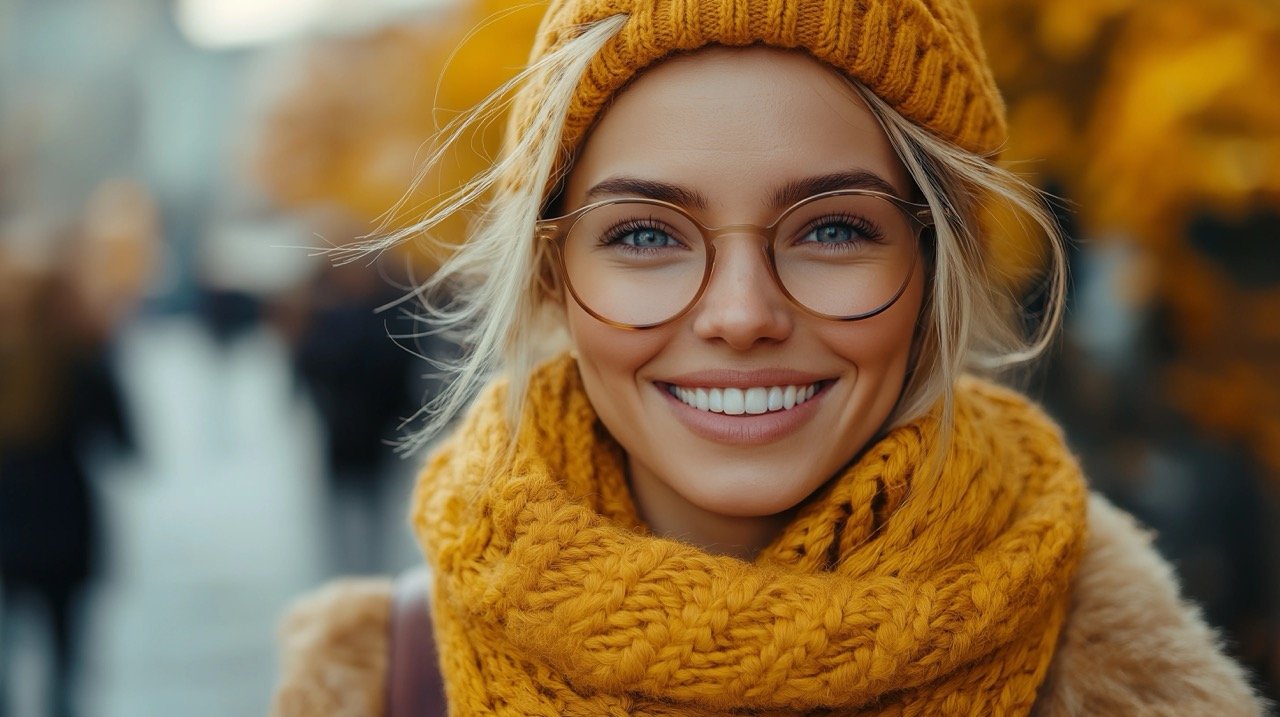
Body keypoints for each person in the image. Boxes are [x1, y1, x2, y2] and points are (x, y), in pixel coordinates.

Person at [270, 0, 1268, 714]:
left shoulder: (1114, 677)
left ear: (936, 269)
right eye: (646, 235)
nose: (740, 315)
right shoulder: (390, 681)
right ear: (547, 273)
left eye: (831, 230)